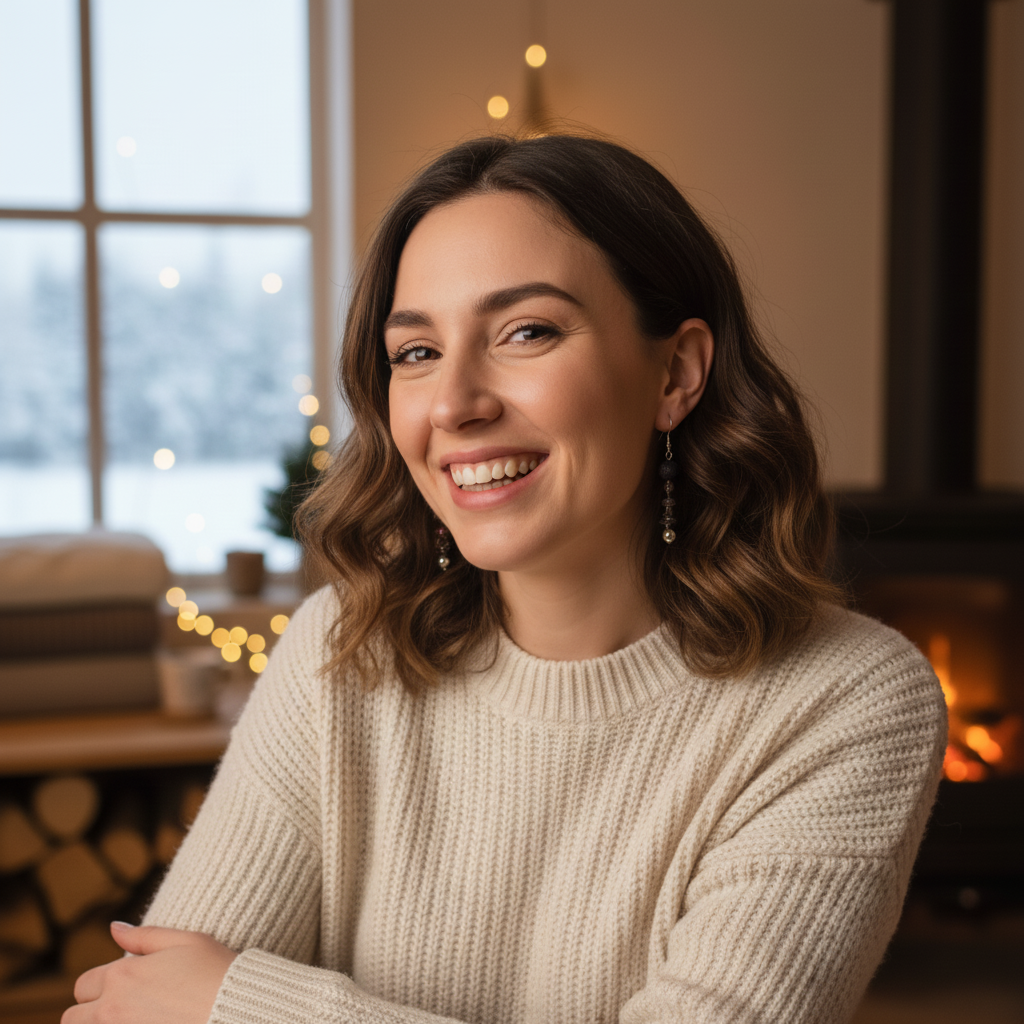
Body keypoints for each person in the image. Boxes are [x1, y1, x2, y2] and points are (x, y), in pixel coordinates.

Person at [65, 134, 946, 1024]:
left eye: (527, 332)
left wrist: (242, 1004)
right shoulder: (342, 648)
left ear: (675, 373)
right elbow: (144, 1007)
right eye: (416, 353)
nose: (455, 404)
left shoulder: (849, 700)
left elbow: (196, 1001)